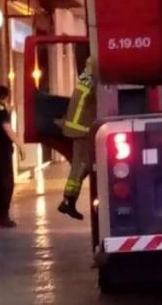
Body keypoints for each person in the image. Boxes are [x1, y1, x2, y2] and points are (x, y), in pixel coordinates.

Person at [58, 56, 97, 220]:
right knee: (81, 166)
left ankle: (68, 201)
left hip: (78, 129)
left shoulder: (85, 80)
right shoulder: (93, 83)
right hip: (81, 130)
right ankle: (68, 201)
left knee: (83, 166)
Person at [0, 85, 24, 228]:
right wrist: (20, 145)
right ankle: (3, 217)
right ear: (6, 96)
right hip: (1, 151)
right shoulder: (1, 110)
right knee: (6, 183)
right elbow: (7, 128)